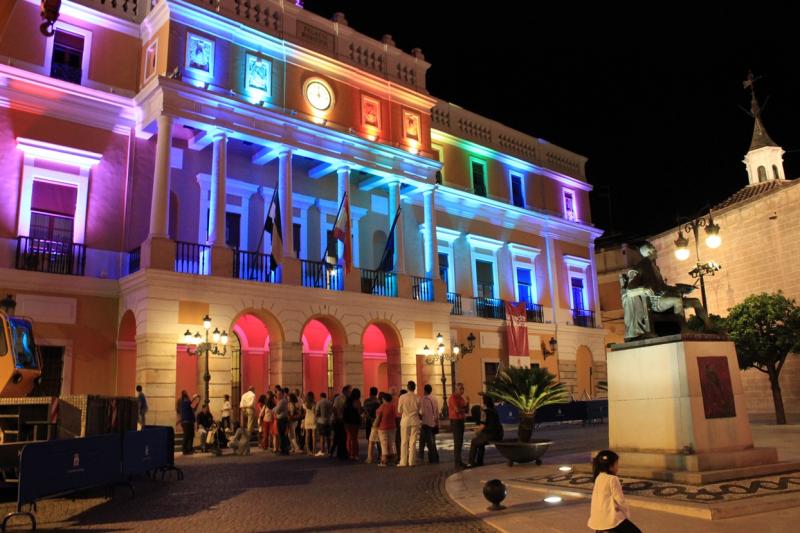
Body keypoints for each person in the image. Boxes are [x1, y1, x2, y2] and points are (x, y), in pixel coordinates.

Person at [588, 450, 641, 533]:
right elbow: (620, 500)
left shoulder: (598, 478)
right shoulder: (612, 479)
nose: (618, 467)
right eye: (616, 464)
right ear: (610, 466)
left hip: (597, 521)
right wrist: (626, 515)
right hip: (609, 520)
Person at [467, 394, 503, 467]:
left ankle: (471, 463)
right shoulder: (494, 410)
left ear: (484, 402)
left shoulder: (484, 412)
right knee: (480, 440)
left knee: (474, 442)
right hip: (499, 434)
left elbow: (482, 426)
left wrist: (476, 431)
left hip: (490, 434)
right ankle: (479, 461)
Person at [397, 381, 422, 467]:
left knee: (404, 441)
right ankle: (412, 461)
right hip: (415, 420)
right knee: (413, 442)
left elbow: (399, 410)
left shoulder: (402, 397)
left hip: (405, 421)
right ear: (414, 388)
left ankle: (403, 462)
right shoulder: (418, 397)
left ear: (407, 387)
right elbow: (420, 411)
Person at [448, 383, 470, 468]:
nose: (462, 390)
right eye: (460, 389)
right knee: (457, 442)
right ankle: (457, 462)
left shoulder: (461, 399)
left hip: (461, 421)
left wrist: (468, 402)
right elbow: (457, 410)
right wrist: (463, 409)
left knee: (460, 442)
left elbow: (466, 410)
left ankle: (459, 461)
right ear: (456, 389)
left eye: (463, 388)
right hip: (455, 421)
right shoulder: (453, 398)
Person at [419, 384, 440, 464]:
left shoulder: (424, 399)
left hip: (426, 422)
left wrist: (419, 415)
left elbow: (423, 412)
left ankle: (427, 458)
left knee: (425, 441)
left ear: (425, 390)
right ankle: (433, 458)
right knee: (431, 441)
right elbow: (437, 411)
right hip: (433, 422)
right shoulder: (434, 398)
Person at [375, 392, 396, 466]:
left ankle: (384, 461)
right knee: (392, 443)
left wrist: (375, 426)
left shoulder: (382, 407)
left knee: (384, 444)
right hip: (392, 427)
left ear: (383, 399)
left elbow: (378, 418)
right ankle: (394, 459)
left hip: (383, 427)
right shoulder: (393, 406)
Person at [332, 385, 351, 460]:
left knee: (343, 437)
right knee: (341, 437)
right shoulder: (339, 398)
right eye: (349, 391)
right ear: (345, 391)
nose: (350, 392)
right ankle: (341, 454)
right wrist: (336, 418)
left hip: (343, 420)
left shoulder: (347, 398)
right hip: (339, 420)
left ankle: (341, 453)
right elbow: (334, 408)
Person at [344, 388, 362, 461]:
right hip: (355, 421)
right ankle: (355, 454)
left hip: (347, 421)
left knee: (348, 438)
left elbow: (344, 409)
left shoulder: (347, 401)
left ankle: (349, 453)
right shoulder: (357, 401)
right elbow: (359, 412)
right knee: (354, 438)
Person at [315, 392, 333, 456]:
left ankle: (322, 450)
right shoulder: (330, 402)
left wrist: (317, 418)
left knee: (322, 436)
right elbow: (332, 411)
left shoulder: (319, 402)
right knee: (328, 436)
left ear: (320, 396)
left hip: (321, 421)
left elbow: (317, 412)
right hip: (328, 421)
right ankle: (329, 449)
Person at [274, 387, 290, 455]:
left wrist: (273, 410)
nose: (277, 395)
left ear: (282, 394)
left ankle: (284, 450)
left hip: (282, 419)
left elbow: (277, 410)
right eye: (277, 394)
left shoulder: (282, 401)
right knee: (283, 435)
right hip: (282, 419)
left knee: (282, 435)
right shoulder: (282, 401)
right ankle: (284, 449)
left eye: (279, 394)